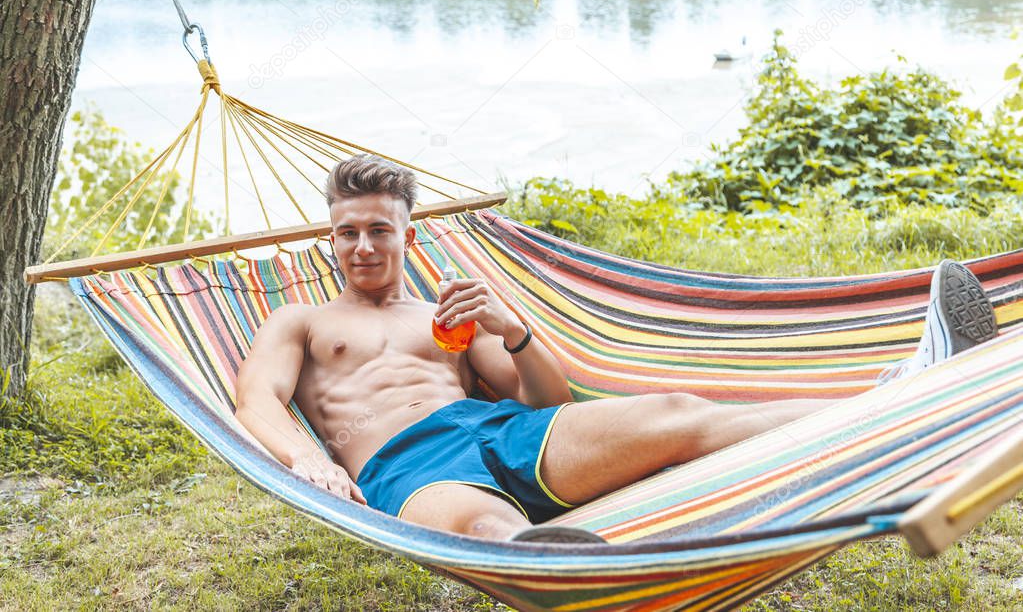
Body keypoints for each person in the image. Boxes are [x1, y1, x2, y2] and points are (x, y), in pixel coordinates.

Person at [234, 155, 999, 544]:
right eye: (347, 230)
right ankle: (584, 574)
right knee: (491, 537)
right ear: (328, 236)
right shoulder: (299, 320)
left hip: (503, 433)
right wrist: (307, 460)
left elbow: (547, 402)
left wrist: (513, 328)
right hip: (405, 467)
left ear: (408, 232)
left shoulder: (446, 315)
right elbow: (254, 402)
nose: (362, 244)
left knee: (678, 412)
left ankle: (900, 393)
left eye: (378, 228)